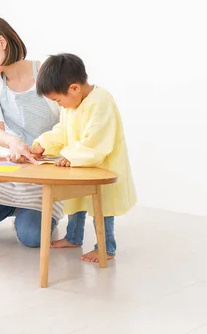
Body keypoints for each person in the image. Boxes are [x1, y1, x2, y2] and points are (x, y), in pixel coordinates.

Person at [0, 17, 63, 247]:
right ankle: (13, 205)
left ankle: (30, 213)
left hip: (45, 171)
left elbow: (68, 123)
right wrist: (13, 142)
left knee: (32, 238)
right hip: (11, 170)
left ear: (2, 42)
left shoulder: (46, 72)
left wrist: (43, 149)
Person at [31, 53, 137, 262]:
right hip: (80, 164)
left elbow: (97, 139)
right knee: (75, 200)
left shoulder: (101, 101)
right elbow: (62, 131)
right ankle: (73, 237)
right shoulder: (72, 105)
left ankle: (106, 247)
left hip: (103, 166)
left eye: (58, 100)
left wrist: (70, 156)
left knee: (103, 208)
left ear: (74, 88)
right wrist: (42, 145)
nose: (59, 105)